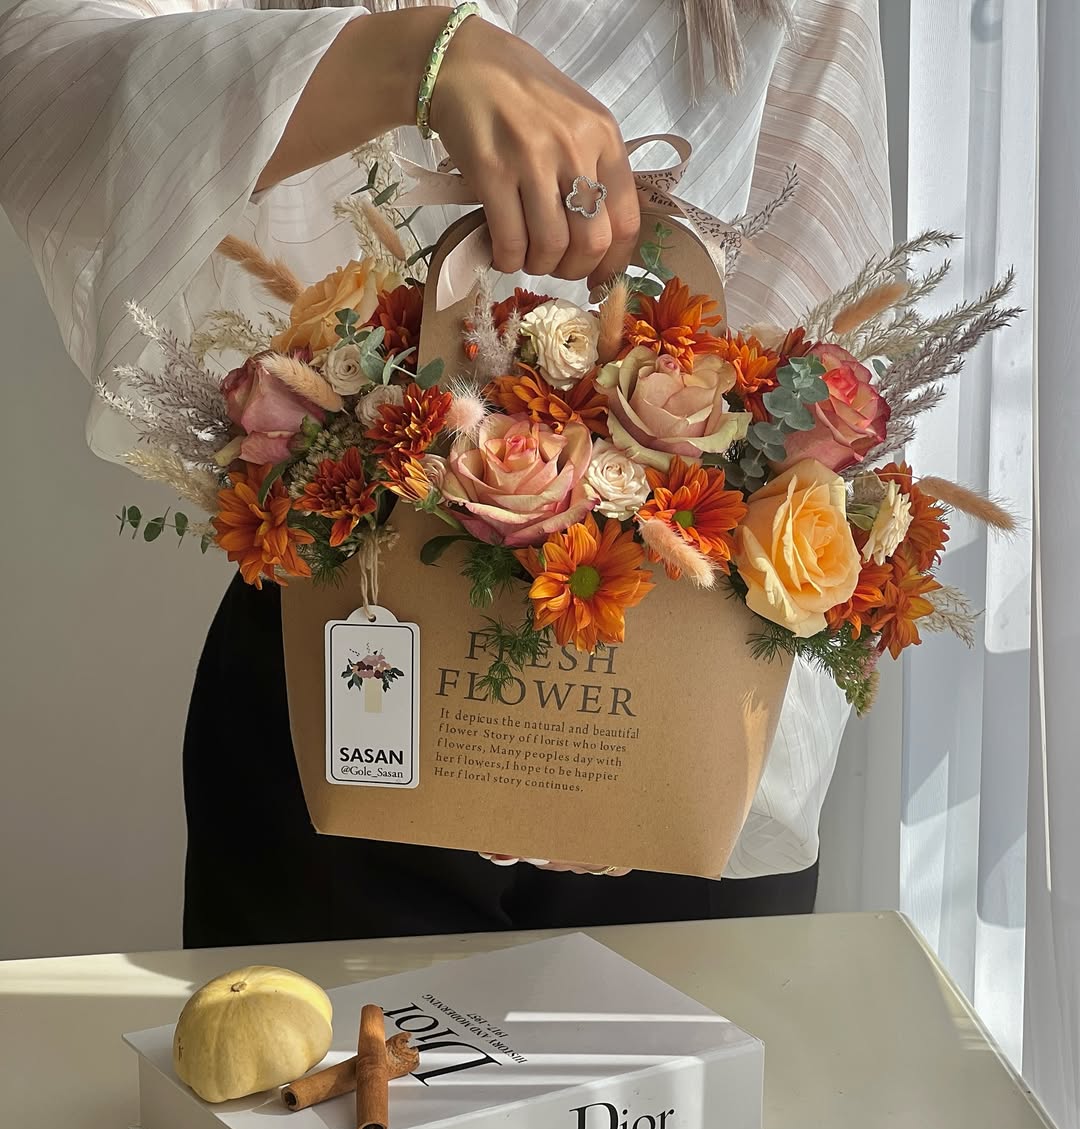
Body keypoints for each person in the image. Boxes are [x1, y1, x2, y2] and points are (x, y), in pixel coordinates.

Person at [0, 0, 891, 944]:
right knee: (307, 1047)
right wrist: (407, 58)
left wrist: (700, 679)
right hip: (351, 645)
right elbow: (38, 93)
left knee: (666, 1049)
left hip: (675, 690)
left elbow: (813, 304)